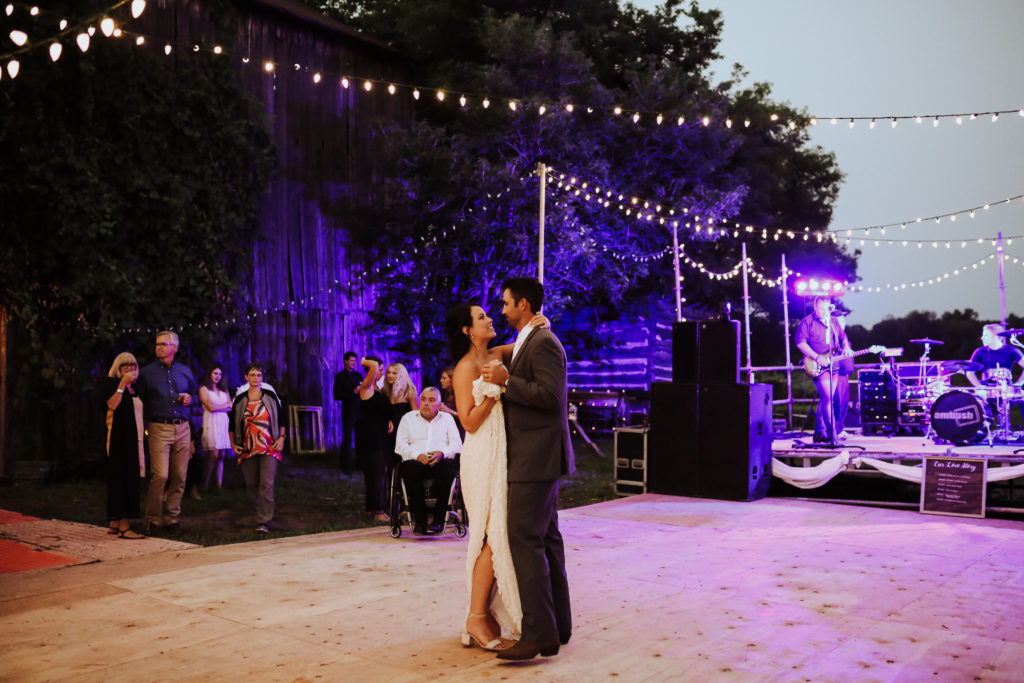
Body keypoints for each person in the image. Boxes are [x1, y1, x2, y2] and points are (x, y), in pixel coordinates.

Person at [446, 301, 551, 653]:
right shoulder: (463, 369)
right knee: (489, 535)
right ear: (467, 330)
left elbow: (522, 343)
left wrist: (539, 323)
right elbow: (469, 422)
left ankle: (482, 615)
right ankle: (476, 616)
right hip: (481, 455)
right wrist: (493, 393)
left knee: (499, 533)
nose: (490, 319)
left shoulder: (496, 353)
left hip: (502, 451)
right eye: (480, 318)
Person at [481, 276, 574, 661]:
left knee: (525, 539)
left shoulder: (544, 342)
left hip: (535, 458)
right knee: (547, 540)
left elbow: (550, 397)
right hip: (534, 456)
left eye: (505, 304)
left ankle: (536, 633)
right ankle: (557, 628)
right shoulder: (531, 337)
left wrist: (507, 383)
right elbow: (516, 356)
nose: (501, 310)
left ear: (522, 305)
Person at [135, 330, 199, 535]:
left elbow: (195, 395)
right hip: (158, 426)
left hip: (182, 426)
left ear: (175, 348)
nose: (159, 347)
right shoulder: (147, 373)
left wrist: (190, 399)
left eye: (163, 344)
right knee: (160, 475)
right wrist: (144, 425)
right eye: (157, 344)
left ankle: (172, 517)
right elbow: (138, 399)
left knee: (180, 476)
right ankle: (153, 518)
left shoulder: (185, 371)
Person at [393, 387, 462, 535]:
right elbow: (400, 445)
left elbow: (456, 444)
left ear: (439, 403)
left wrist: (442, 453)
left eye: (431, 400)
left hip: (440, 460)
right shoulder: (408, 418)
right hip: (415, 460)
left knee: (448, 468)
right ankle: (420, 521)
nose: (426, 403)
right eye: (423, 399)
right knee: (410, 468)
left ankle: (438, 520)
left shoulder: (447, 419)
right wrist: (417, 455)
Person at [230, 363, 286, 533]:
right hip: (247, 446)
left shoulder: (269, 395)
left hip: (269, 445)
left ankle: (264, 520)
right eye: (252, 375)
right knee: (252, 484)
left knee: (266, 483)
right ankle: (258, 512)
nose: (256, 378)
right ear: (246, 377)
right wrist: (233, 444)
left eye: (259, 375)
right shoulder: (240, 399)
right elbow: (232, 424)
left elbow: (281, 418)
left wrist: (282, 437)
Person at [101, 352, 146, 539]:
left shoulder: (136, 389)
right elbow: (112, 405)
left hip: (135, 437)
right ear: (118, 368)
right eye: (125, 366)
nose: (130, 369)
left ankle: (115, 521)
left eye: (133, 365)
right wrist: (121, 385)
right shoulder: (111, 385)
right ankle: (124, 526)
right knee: (121, 478)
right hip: (119, 438)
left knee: (129, 477)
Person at [795, 296, 851, 443]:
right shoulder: (807, 322)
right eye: (820, 308)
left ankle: (823, 435)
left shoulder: (833, 322)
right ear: (815, 306)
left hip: (833, 364)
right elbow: (800, 343)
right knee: (828, 399)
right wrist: (816, 356)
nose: (822, 311)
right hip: (816, 364)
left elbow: (842, 337)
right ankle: (832, 436)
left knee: (829, 399)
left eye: (825, 309)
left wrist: (845, 346)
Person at [355, 356, 392, 522]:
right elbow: (374, 365)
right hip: (370, 435)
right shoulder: (366, 386)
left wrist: (389, 420)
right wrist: (364, 360)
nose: (381, 372)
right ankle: (378, 510)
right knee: (376, 471)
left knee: (375, 471)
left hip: (379, 433)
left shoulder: (377, 388)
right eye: (380, 369)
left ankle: (371, 508)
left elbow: (382, 409)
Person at [198, 365, 233, 492]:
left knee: (221, 455)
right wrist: (227, 404)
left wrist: (221, 406)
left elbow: (231, 408)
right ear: (209, 374)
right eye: (215, 373)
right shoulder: (203, 389)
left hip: (223, 422)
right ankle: (205, 484)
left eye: (219, 374)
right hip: (211, 422)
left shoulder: (224, 390)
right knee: (213, 454)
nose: (217, 376)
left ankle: (219, 485)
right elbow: (210, 408)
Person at [967, 323, 1024, 387]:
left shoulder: (1012, 350)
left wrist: (1019, 383)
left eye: (986, 335)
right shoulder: (979, 351)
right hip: (986, 390)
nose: (982, 338)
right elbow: (969, 372)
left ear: (997, 336)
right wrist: (979, 386)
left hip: (1007, 390)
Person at [333, 351, 363, 473]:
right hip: (349, 412)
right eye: (351, 361)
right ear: (345, 361)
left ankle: (360, 465)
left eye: (355, 361)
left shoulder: (359, 375)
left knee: (360, 439)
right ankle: (345, 466)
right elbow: (337, 395)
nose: (354, 363)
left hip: (360, 411)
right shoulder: (340, 377)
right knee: (347, 439)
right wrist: (353, 392)